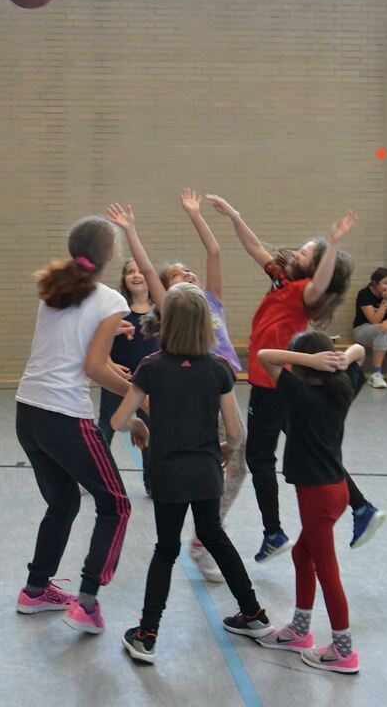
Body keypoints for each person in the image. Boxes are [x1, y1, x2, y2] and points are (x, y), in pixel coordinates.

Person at [206, 195, 385, 560]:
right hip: (276, 381)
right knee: (311, 448)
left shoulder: (305, 293)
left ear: (314, 267)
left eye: (303, 253)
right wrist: (234, 214)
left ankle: (273, 533)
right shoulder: (281, 279)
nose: (295, 253)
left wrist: (333, 244)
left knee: (259, 459)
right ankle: (362, 508)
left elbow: (321, 284)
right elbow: (255, 246)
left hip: (272, 383)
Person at [111, 283, 272, 665]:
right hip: (205, 473)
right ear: (205, 326)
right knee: (214, 535)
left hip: (168, 475)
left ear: (167, 325)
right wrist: (223, 452)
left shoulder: (151, 367)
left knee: (166, 549)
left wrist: (139, 424)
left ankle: (147, 634)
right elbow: (234, 432)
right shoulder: (218, 369)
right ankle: (254, 614)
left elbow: (119, 420)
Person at [107, 191, 247, 583]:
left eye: (190, 271)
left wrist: (195, 214)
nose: (188, 274)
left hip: (221, 388)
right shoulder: (174, 307)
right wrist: (131, 231)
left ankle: (207, 531)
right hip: (197, 389)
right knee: (213, 460)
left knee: (238, 463)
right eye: (179, 274)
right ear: (168, 292)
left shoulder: (212, 301)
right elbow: (149, 269)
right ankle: (205, 538)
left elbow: (215, 251)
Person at [15, 216, 138, 634]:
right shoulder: (110, 299)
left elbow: (71, 340)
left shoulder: (54, 289)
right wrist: (141, 396)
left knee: (64, 503)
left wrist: (104, 328)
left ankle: (35, 590)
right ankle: (87, 602)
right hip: (63, 415)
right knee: (116, 505)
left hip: (28, 412)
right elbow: (95, 368)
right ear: (111, 255)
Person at [256, 333, 366, 674]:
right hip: (336, 491)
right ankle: (299, 631)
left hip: (317, 495)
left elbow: (263, 356)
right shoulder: (342, 387)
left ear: (304, 363)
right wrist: (341, 359)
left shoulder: (300, 394)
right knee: (301, 555)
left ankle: (342, 650)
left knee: (328, 571)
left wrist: (313, 360)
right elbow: (360, 350)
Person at [97, 259, 156, 495]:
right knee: (105, 428)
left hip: (149, 384)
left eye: (140, 271)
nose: (135, 275)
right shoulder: (117, 309)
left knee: (150, 432)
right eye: (130, 272)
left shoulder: (158, 310)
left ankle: (151, 483)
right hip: (117, 379)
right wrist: (110, 365)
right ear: (124, 278)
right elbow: (101, 342)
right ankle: (97, 477)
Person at [352, 267, 387, 388]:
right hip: (363, 330)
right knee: (382, 328)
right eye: (385, 283)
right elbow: (374, 320)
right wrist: (385, 300)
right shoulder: (365, 294)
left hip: (384, 332)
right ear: (375, 283)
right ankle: (376, 374)